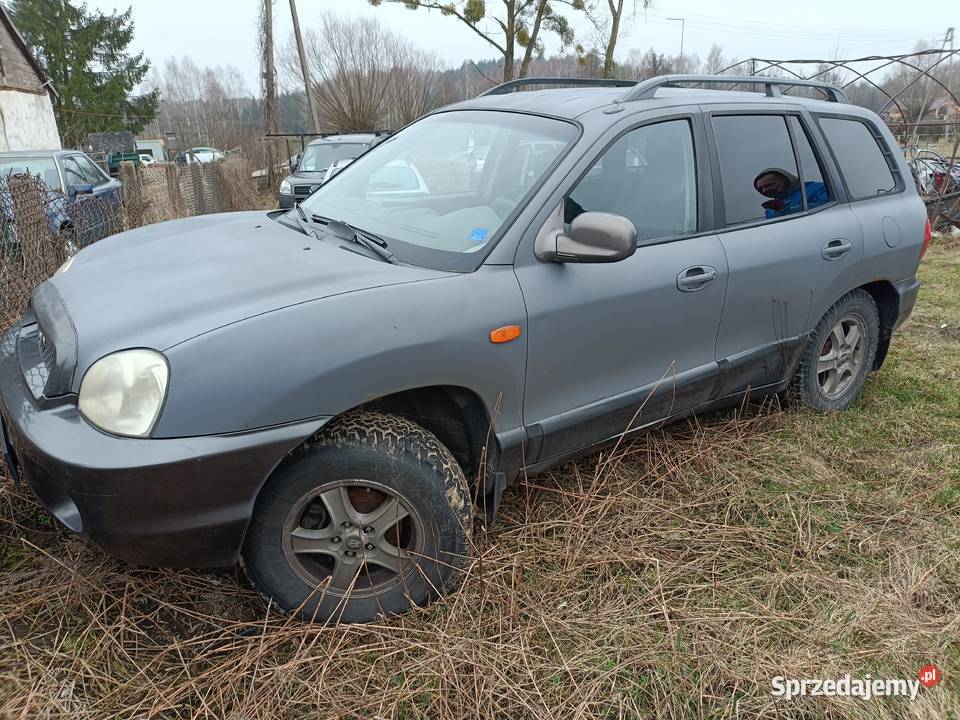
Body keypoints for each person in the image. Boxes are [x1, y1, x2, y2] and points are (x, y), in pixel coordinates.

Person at [753, 167, 829, 219]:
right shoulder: (770, 210)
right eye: (761, 188)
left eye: (769, 185)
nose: (764, 190)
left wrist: (785, 208)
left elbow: (827, 206)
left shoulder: (818, 188)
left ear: (785, 180)